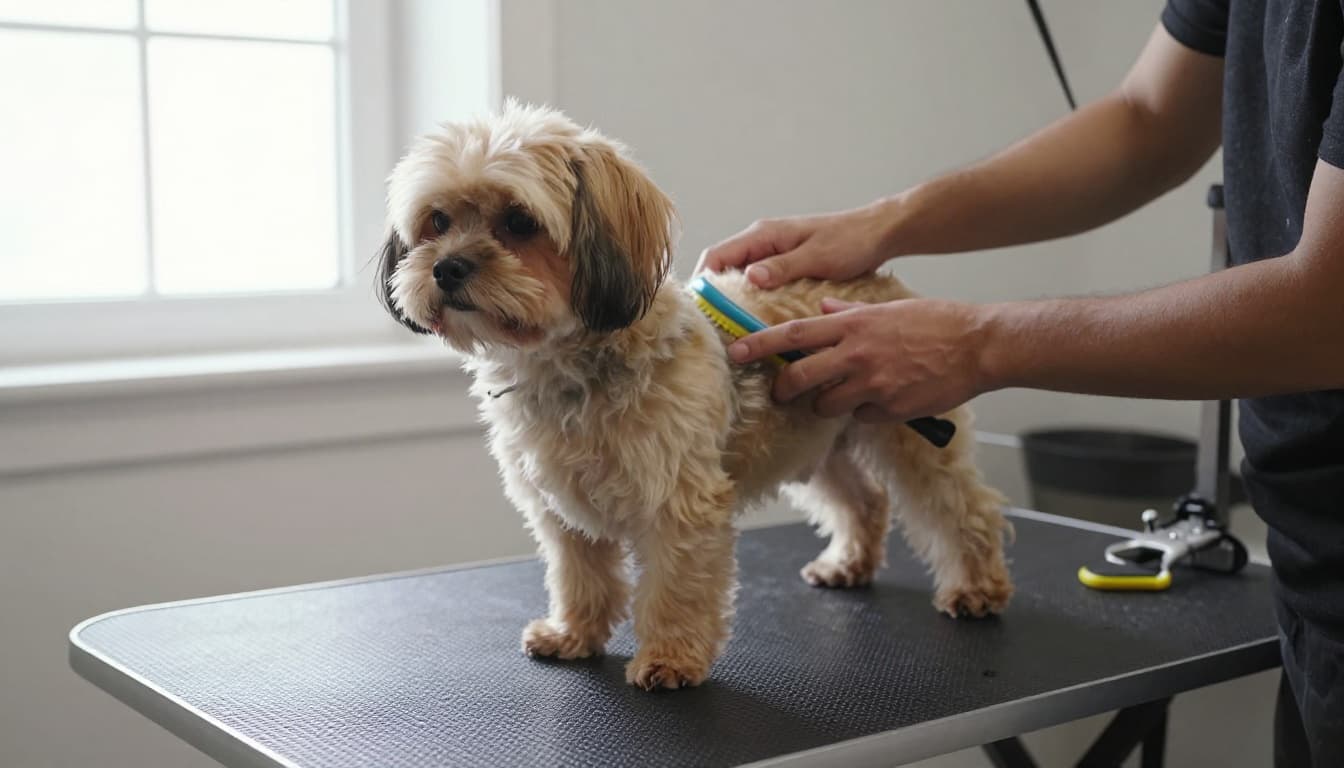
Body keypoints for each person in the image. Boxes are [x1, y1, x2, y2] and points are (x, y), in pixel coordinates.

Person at [696, 2, 1344, 765]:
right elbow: (1146, 118)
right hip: (1312, 558)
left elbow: (1328, 309)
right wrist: (887, 221)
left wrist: (980, 343)